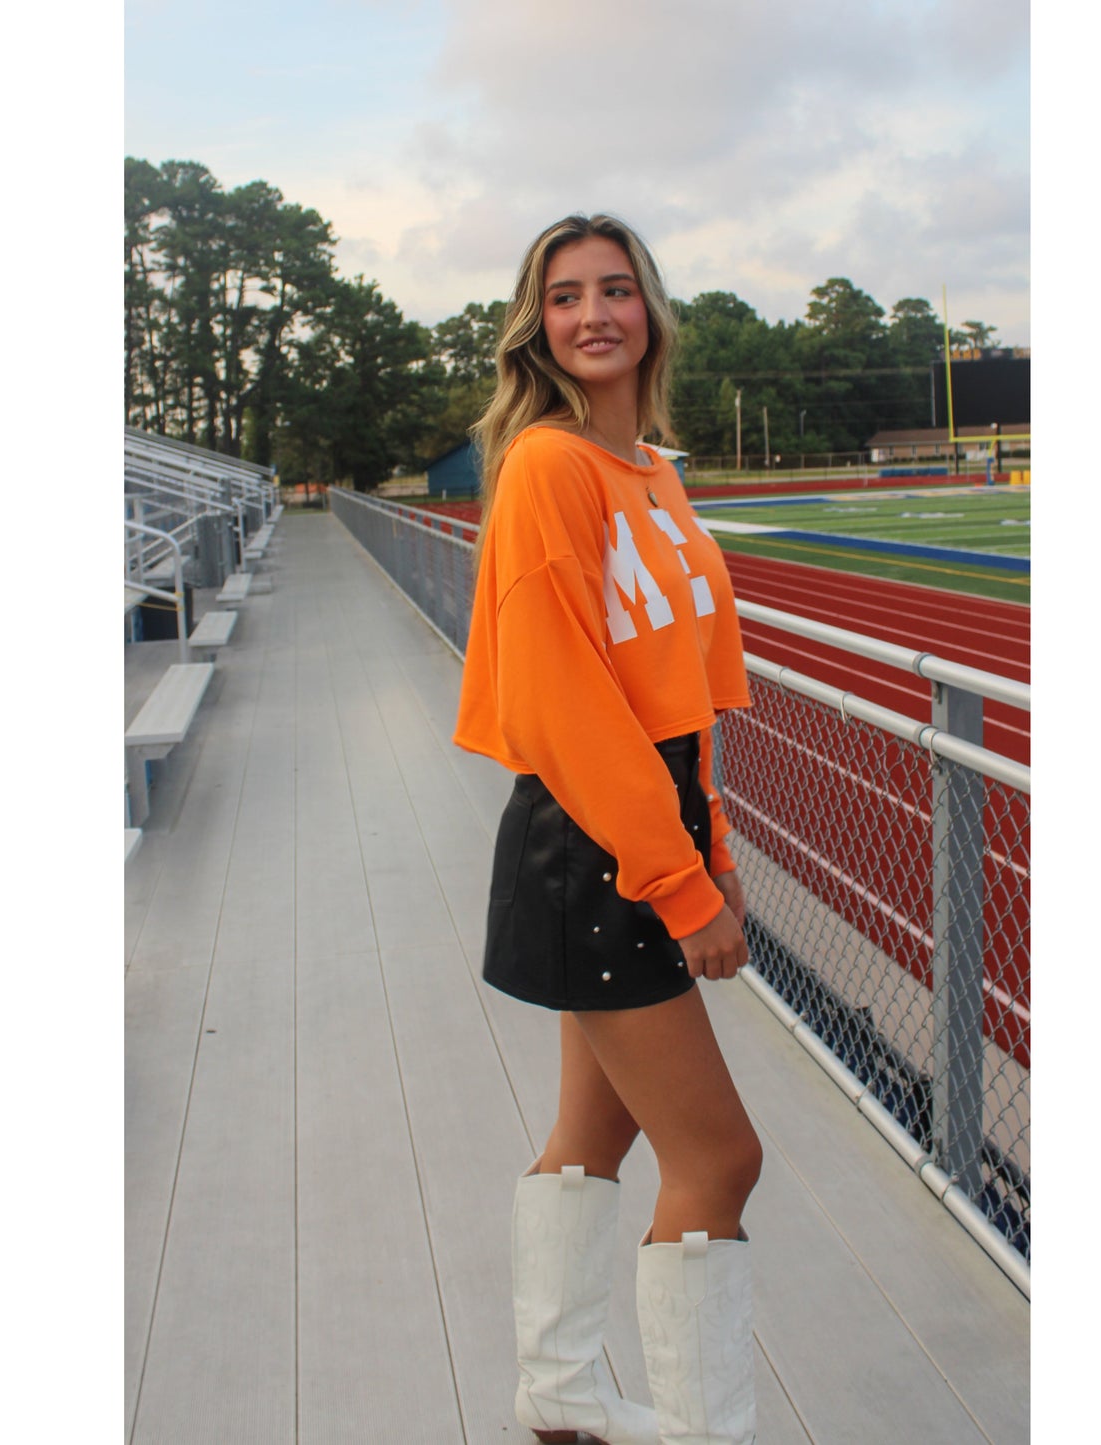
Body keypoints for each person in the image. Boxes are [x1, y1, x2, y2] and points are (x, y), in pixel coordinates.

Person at [454, 213, 762, 1445]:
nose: (594, 313)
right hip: (596, 842)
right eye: (567, 293)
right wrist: (682, 888)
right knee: (720, 1161)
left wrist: (717, 849)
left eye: (617, 289)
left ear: (650, 314)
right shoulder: (547, 466)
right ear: (538, 323)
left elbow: (676, 699)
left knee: (594, 1127)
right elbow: (572, 710)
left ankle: (559, 1391)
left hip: (648, 819)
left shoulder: (650, 472)